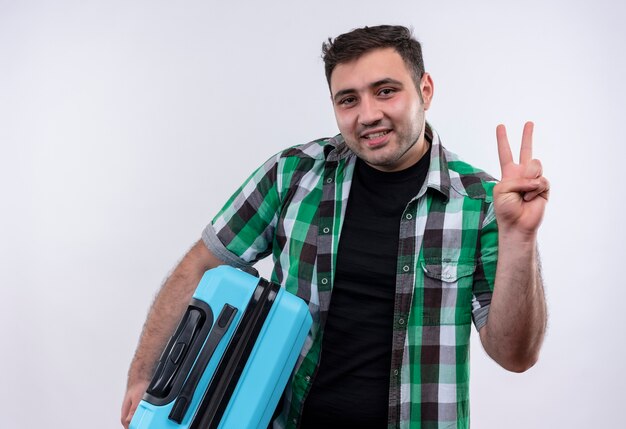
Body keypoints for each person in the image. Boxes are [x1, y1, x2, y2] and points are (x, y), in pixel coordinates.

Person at [121, 25, 549, 429]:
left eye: (386, 91)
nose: (368, 115)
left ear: (425, 90)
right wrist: (144, 376)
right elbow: (203, 263)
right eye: (348, 99)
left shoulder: (481, 202)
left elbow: (515, 355)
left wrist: (521, 240)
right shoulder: (293, 174)